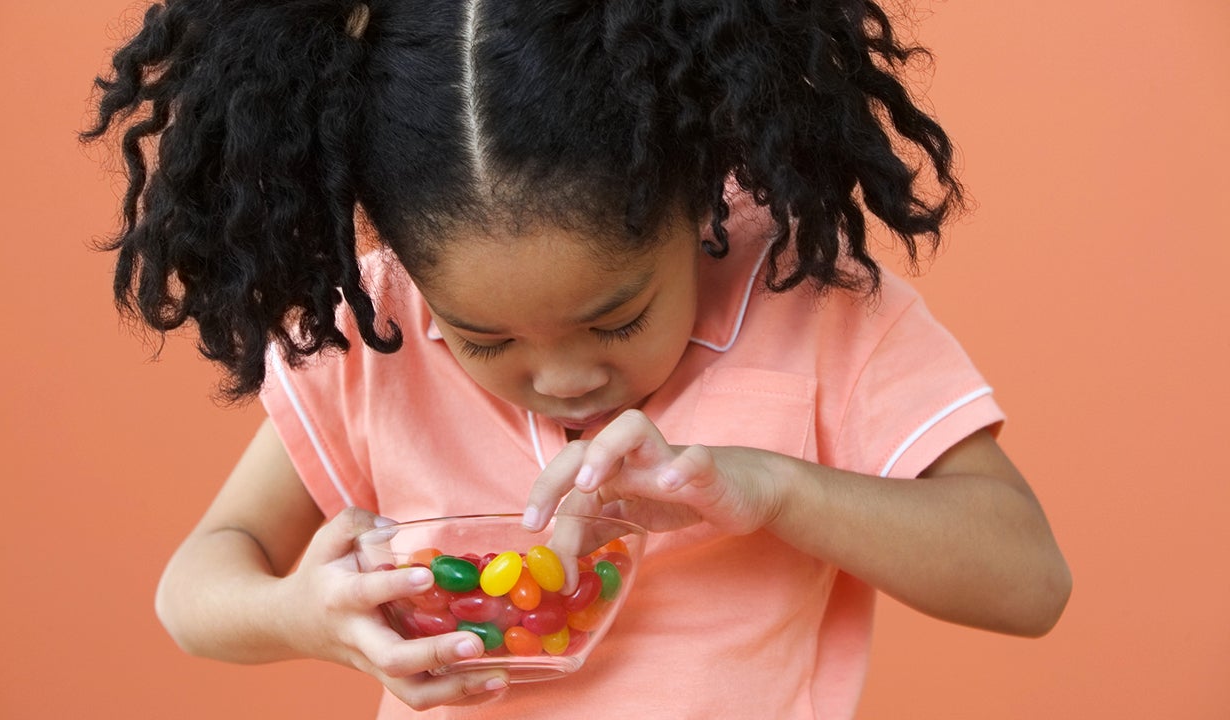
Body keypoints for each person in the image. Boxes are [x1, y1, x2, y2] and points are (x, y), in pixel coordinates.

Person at [82, 0, 1071, 716]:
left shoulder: (808, 307)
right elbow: (196, 584)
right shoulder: (373, 337)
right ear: (393, 253)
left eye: (612, 320)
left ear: (696, 204)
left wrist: (766, 489)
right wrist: (303, 613)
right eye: (484, 339)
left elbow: (1026, 582)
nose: (561, 378)